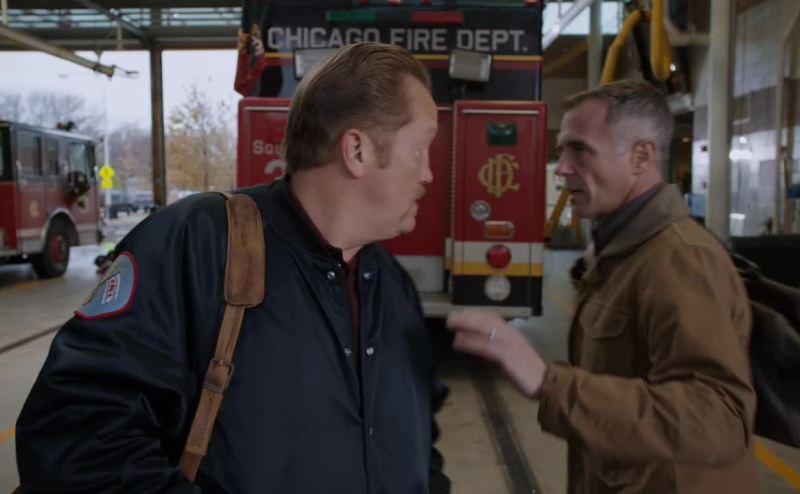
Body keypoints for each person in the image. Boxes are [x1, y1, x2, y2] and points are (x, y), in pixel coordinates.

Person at [17, 42, 450, 494]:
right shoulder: (202, 244)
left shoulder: (392, 285)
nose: (428, 175)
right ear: (357, 150)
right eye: (420, 149)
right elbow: (73, 440)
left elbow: (420, 450)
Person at [446, 80, 758, 493]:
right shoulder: (627, 252)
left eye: (580, 150)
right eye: (563, 151)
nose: (562, 168)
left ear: (641, 156)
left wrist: (547, 381)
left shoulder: (680, 261)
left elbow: (718, 421)